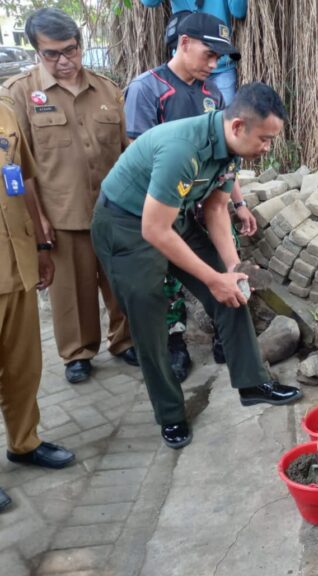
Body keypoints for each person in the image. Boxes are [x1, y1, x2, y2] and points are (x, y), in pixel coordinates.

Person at [91, 82, 302, 449]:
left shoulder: (231, 149)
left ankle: (253, 383)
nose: (267, 148)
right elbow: (153, 229)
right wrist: (212, 278)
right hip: (126, 225)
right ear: (238, 126)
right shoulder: (181, 150)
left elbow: (217, 207)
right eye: (265, 139)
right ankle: (171, 415)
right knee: (150, 319)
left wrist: (232, 268)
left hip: (172, 219)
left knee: (231, 290)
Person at [1, 8, 137, 385]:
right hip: (61, 213)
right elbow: (21, 166)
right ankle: (78, 352)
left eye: (71, 50)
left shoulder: (108, 90)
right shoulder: (20, 95)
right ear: (36, 53)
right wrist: (37, 218)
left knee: (118, 281)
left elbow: (126, 154)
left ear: (80, 45)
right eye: (52, 54)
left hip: (112, 211)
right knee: (71, 293)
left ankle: (124, 341)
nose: (65, 61)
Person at [124, 12, 257, 383]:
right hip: (164, 207)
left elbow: (225, 155)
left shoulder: (212, 94)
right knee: (165, 276)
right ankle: (175, 341)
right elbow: (141, 157)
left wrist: (239, 202)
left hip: (207, 202)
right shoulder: (147, 89)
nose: (214, 64)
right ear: (183, 44)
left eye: (219, 59)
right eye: (208, 55)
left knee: (223, 263)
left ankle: (224, 335)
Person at [0, 101, 75, 513]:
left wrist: (42, 245)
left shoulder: (5, 112)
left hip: (15, 265)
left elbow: (23, 178)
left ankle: (24, 443)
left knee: (23, 367)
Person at [139, 0, 247, 104]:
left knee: (222, 119)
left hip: (220, 66)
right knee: (183, 117)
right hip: (186, 67)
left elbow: (238, 11)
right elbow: (149, 2)